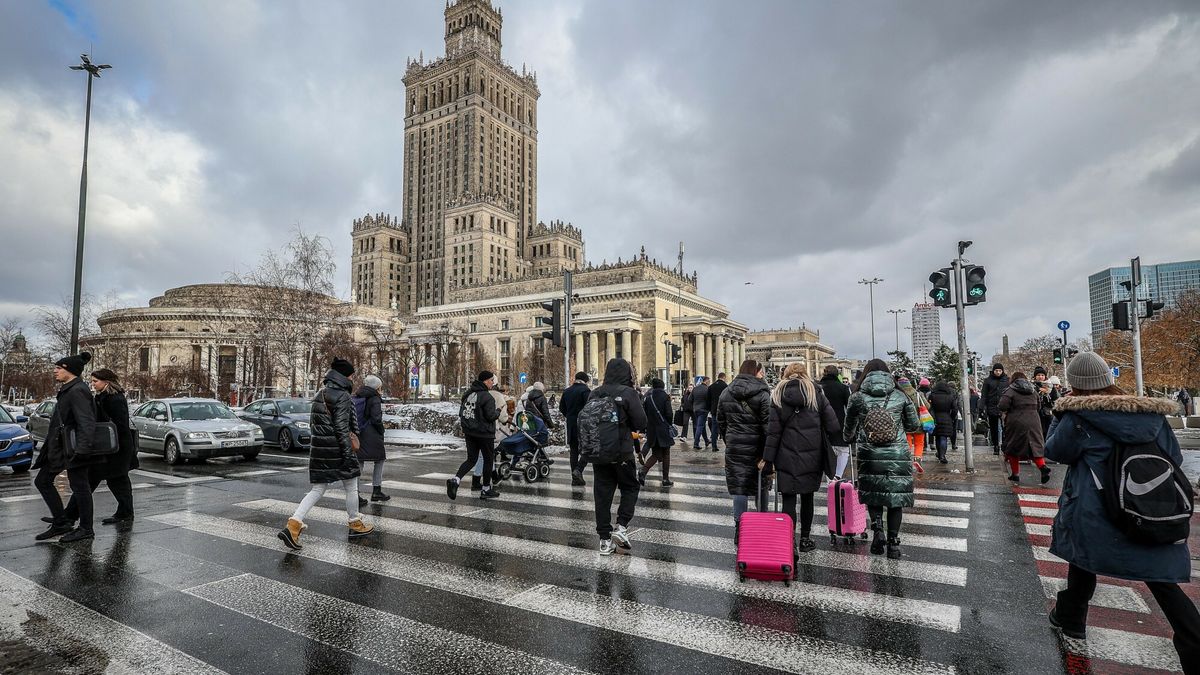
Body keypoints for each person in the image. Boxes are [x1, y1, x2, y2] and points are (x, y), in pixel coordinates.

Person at [1046, 352, 1200, 670]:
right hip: (1149, 509)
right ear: (1107, 379)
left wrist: (1060, 412)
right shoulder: (1151, 416)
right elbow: (1174, 458)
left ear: (1074, 385)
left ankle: (1071, 618)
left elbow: (1055, 450)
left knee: (1084, 558)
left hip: (1096, 511)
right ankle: (1195, 646)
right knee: (1161, 583)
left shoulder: (1078, 418)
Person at [278, 358, 374, 550]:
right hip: (337, 450)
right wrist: (348, 454)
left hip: (320, 450)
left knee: (317, 489)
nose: (352, 378)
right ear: (344, 376)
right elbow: (341, 428)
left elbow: (317, 426)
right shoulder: (343, 396)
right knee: (351, 485)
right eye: (350, 375)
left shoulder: (320, 394)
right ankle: (355, 522)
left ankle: (293, 524)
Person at [842, 359, 919, 559]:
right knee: (896, 499)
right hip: (897, 454)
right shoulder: (900, 395)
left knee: (873, 493)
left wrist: (849, 437)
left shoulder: (857, 397)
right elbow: (913, 424)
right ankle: (894, 544)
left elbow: (848, 426)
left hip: (869, 452)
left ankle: (878, 529)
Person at [765, 364, 841, 554]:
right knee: (808, 497)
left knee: (788, 498)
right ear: (805, 373)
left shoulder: (777, 394)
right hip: (812, 453)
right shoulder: (815, 392)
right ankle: (805, 538)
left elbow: (773, 432)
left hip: (785, 453)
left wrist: (768, 459)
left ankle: (789, 540)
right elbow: (833, 425)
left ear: (787, 373)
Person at [33, 352, 103, 542]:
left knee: (80, 487)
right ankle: (61, 521)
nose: (55, 370)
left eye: (59, 368)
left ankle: (86, 528)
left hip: (73, 448)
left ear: (70, 371)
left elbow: (86, 422)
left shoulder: (78, 390)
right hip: (61, 446)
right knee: (43, 480)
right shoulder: (69, 388)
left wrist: (82, 450)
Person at [584, 358, 647, 555]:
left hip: (599, 452)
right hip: (622, 451)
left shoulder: (595, 392)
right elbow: (641, 422)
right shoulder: (628, 393)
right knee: (630, 487)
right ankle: (621, 527)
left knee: (602, 495)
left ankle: (604, 540)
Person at [62, 368, 138, 526]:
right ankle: (124, 513)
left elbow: (119, 425)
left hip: (116, 449)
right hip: (110, 448)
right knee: (110, 481)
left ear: (106, 382)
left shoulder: (115, 399)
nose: (93, 384)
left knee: (98, 481)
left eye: (95, 381)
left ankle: (69, 516)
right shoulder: (103, 397)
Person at [717, 360, 772, 539]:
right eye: (761, 371)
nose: (763, 374)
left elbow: (721, 422)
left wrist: (730, 440)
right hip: (758, 448)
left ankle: (739, 528)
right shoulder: (763, 394)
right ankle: (762, 524)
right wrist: (768, 452)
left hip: (735, 447)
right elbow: (767, 426)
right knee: (761, 485)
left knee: (739, 487)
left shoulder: (726, 392)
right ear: (755, 372)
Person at [447, 371, 502, 500]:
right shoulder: (487, 397)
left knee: (471, 459)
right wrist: (498, 411)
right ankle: (486, 490)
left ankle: (456, 480)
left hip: (470, 433)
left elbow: (462, 413)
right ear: (485, 381)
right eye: (491, 380)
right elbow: (490, 416)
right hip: (485, 434)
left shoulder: (468, 394)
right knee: (488, 461)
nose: (492, 383)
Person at [998, 372, 1050, 484]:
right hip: (1034, 420)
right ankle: (1042, 467)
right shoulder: (1033, 390)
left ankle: (1015, 474)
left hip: (1016, 421)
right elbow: (1039, 405)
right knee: (1034, 445)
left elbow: (1002, 406)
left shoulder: (1010, 390)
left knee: (1013, 446)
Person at [353, 375, 389, 502]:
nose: (381, 389)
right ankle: (376, 491)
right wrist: (381, 430)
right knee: (379, 460)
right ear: (376, 387)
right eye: (380, 386)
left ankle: (355, 494)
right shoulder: (374, 398)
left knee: (359, 463)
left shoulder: (358, 395)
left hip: (360, 433)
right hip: (372, 434)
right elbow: (376, 419)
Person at [474, 381, 512, 491]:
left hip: (477, 428)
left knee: (486, 455)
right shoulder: (498, 396)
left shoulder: (479, 394)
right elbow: (502, 417)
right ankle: (478, 481)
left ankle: (493, 477)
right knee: (486, 455)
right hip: (490, 429)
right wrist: (504, 419)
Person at [817, 365, 852, 479]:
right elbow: (850, 407)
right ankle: (837, 475)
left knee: (827, 451)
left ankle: (829, 476)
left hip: (821, 423)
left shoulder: (818, 388)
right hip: (839, 422)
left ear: (824, 373)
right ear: (837, 375)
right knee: (843, 451)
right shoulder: (843, 388)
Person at [639, 378, 675, 486]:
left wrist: (645, 429)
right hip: (663, 429)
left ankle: (644, 471)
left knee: (657, 454)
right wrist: (668, 424)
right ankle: (664, 479)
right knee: (665, 454)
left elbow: (644, 414)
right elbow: (669, 414)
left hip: (652, 430)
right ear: (663, 386)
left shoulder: (648, 398)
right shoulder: (665, 396)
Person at [559, 372, 591, 487]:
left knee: (573, 451)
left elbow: (561, 407)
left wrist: (570, 416)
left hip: (571, 424)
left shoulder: (567, 391)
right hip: (583, 424)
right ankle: (578, 470)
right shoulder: (585, 391)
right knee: (587, 448)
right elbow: (590, 407)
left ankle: (574, 477)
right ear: (585, 380)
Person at [896, 376, 927, 474]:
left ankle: (907, 462)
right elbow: (927, 406)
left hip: (905, 425)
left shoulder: (898, 395)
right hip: (919, 423)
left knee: (907, 444)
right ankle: (917, 459)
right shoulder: (918, 394)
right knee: (919, 443)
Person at [927, 380, 959, 464]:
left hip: (935, 418)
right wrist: (951, 417)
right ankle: (942, 455)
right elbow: (955, 409)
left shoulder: (932, 395)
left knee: (937, 437)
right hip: (946, 418)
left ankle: (940, 453)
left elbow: (929, 407)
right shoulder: (950, 396)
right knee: (943, 437)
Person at [981, 364, 1010, 455]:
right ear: (993, 371)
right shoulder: (988, 381)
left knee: (1005, 427)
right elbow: (984, 395)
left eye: (1000, 370)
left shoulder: (1007, 380)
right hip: (992, 407)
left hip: (1004, 407)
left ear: (1002, 371)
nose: (998, 372)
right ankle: (996, 446)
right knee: (994, 428)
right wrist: (982, 407)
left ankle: (1005, 445)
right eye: (996, 370)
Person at [1032, 366, 1058, 439]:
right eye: (1038, 375)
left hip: (1048, 413)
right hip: (1035, 413)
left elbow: (1055, 399)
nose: (1040, 377)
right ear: (1035, 376)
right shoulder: (1031, 386)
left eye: (1042, 375)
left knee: (1048, 432)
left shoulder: (1050, 386)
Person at [707, 372, 729, 450]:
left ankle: (714, 446)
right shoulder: (726, 386)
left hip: (714, 410)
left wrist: (710, 409)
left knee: (714, 428)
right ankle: (728, 446)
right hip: (723, 410)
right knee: (725, 428)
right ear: (724, 377)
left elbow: (708, 400)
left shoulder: (711, 387)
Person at [691, 377, 712, 449]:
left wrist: (694, 405)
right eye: (709, 381)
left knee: (701, 425)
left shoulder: (695, 388)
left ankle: (706, 440)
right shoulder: (707, 389)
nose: (709, 383)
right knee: (699, 426)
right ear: (706, 381)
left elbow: (689, 399)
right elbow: (709, 400)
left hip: (696, 410)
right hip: (703, 410)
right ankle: (696, 443)